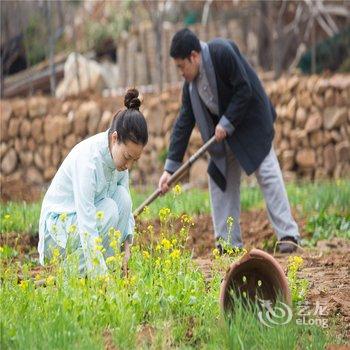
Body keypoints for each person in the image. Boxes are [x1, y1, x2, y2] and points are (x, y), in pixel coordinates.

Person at [158, 28, 300, 254]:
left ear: (194, 56)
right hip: (223, 137)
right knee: (220, 182)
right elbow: (183, 123)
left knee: (268, 173)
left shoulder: (221, 52)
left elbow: (245, 88)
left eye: (181, 66)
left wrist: (226, 121)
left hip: (250, 123)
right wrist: (170, 169)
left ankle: (288, 235)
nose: (181, 72)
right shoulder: (191, 87)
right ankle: (228, 245)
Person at [38, 89, 148, 276]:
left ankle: (111, 268)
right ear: (114, 139)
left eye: (134, 160)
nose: (129, 165)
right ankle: (75, 273)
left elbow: (126, 211)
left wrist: (128, 248)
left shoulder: (119, 162)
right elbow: (86, 222)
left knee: (122, 199)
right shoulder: (88, 162)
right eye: (127, 157)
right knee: (110, 209)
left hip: (84, 225)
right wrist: (102, 279)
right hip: (57, 233)